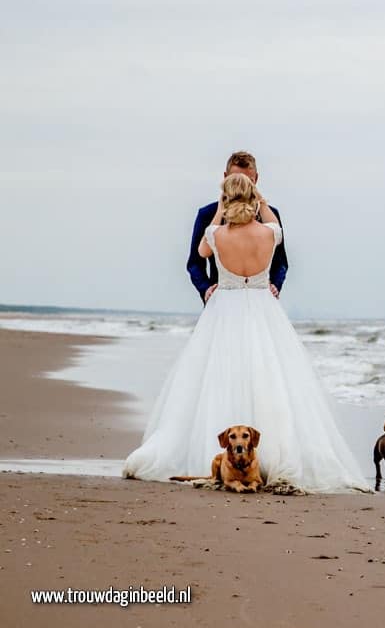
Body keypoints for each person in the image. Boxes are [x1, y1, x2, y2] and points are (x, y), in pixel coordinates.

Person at [123, 173, 370, 493]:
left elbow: (201, 254)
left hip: (224, 311)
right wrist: (262, 202)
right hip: (263, 308)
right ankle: (273, 456)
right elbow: (275, 228)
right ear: (254, 197)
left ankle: (221, 462)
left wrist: (220, 209)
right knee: (270, 378)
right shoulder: (269, 232)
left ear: (225, 199)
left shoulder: (216, 234)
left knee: (217, 376)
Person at [187, 151, 288, 304]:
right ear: (225, 177)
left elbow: (280, 261)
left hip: (261, 300)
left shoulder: (270, 214)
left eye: (248, 181)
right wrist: (205, 288)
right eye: (235, 180)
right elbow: (195, 262)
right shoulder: (207, 214)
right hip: (221, 300)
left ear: (256, 180)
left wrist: (275, 285)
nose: (241, 187)